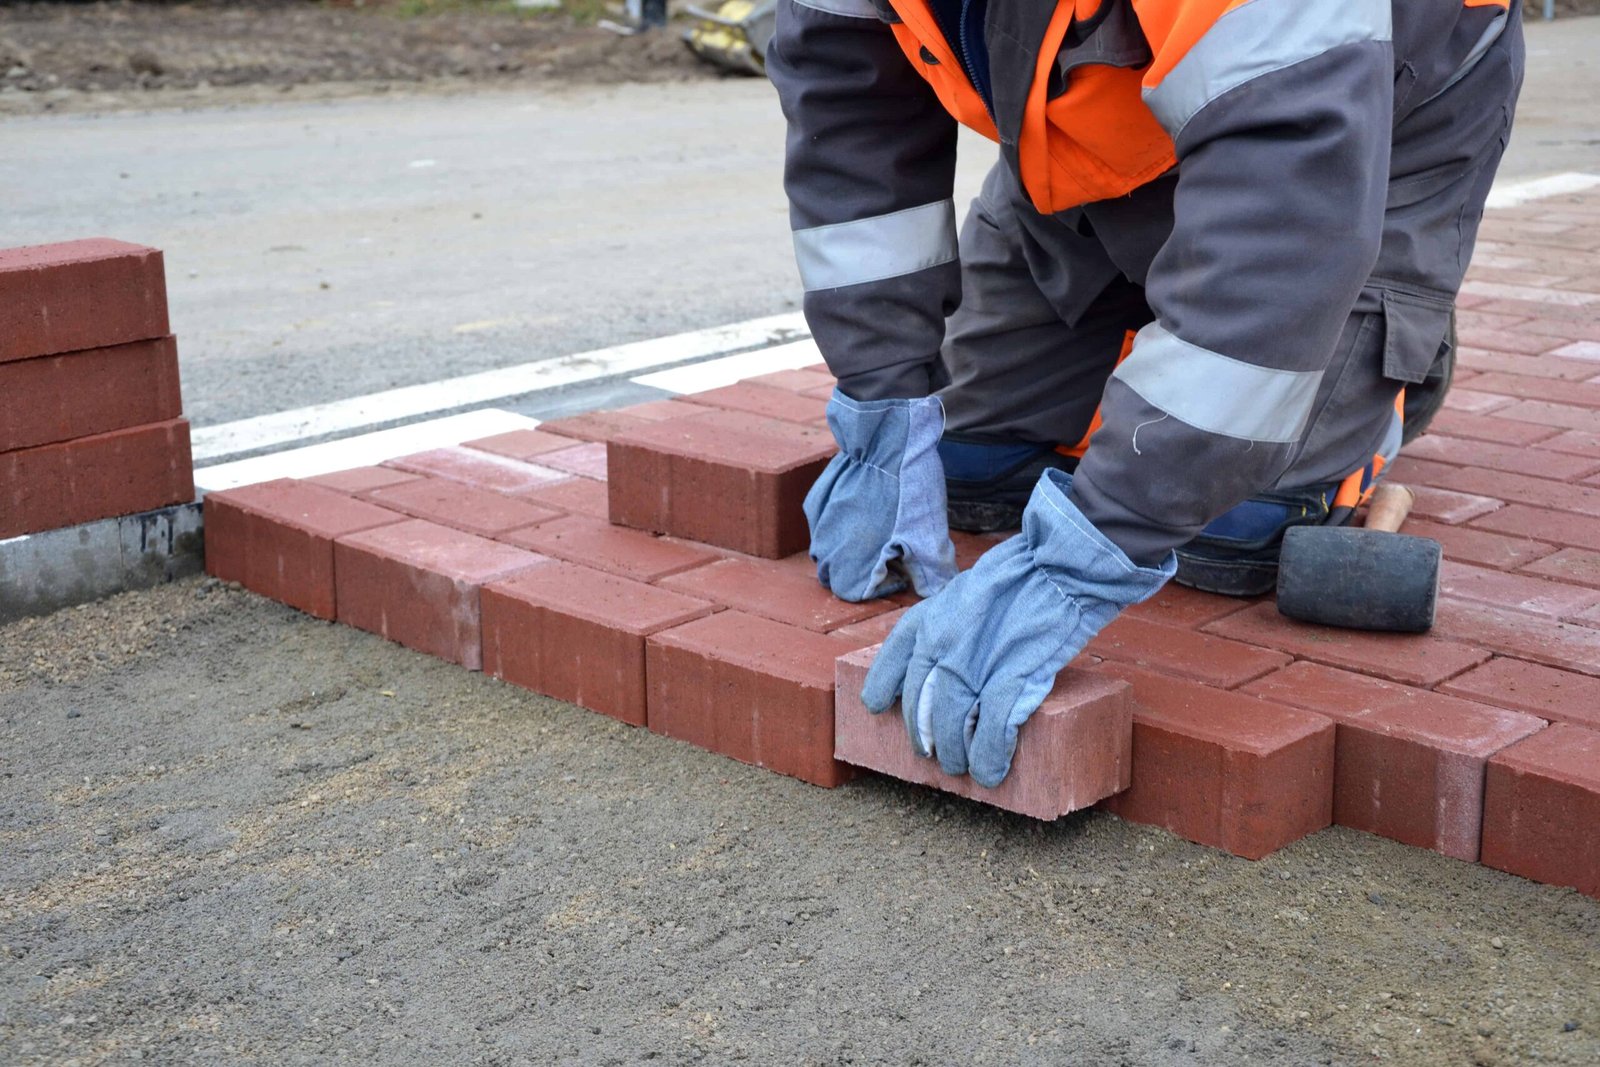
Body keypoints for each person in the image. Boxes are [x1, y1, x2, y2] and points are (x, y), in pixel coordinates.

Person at [768, 0, 1524, 787]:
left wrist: (1087, 552)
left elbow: (1280, 221)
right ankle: (1171, 300)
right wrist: (882, 401)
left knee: (1229, 519)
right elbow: (851, 126)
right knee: (969, 455)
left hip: (1365, 130)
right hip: (1096, 154)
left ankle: (1383, 349)